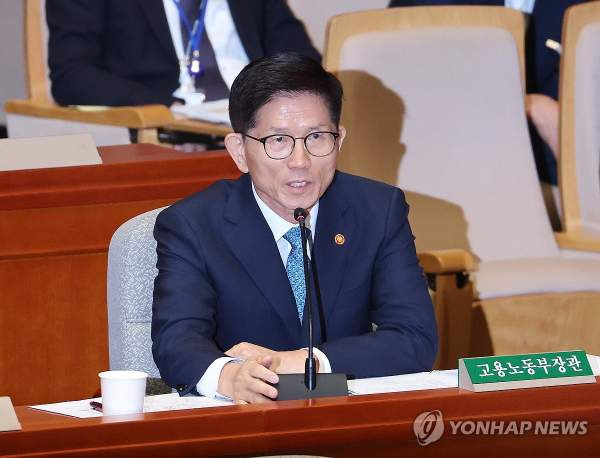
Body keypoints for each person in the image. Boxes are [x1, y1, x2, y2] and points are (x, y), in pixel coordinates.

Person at [151, 52, 438, 404]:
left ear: (339, 140)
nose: (300, 161)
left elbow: (415, 339)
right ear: (239, 151)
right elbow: (176, 342)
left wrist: (305, 363)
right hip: (244, 421)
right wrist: (230, 377)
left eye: (316, 137)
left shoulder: (378, 211)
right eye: (278, 141)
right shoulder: (193, 225)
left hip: (347, 417)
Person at [388, 0, 587, 185]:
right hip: (443, 174)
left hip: (553, 181)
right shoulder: (425, 7)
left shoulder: (586, 12)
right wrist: (535, 106)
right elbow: (402, 95)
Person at [46, 0, 319, 107]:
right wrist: (167, 110)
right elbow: (72, 76)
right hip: (166, 124)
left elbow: (300, 59)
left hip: (262, 119)